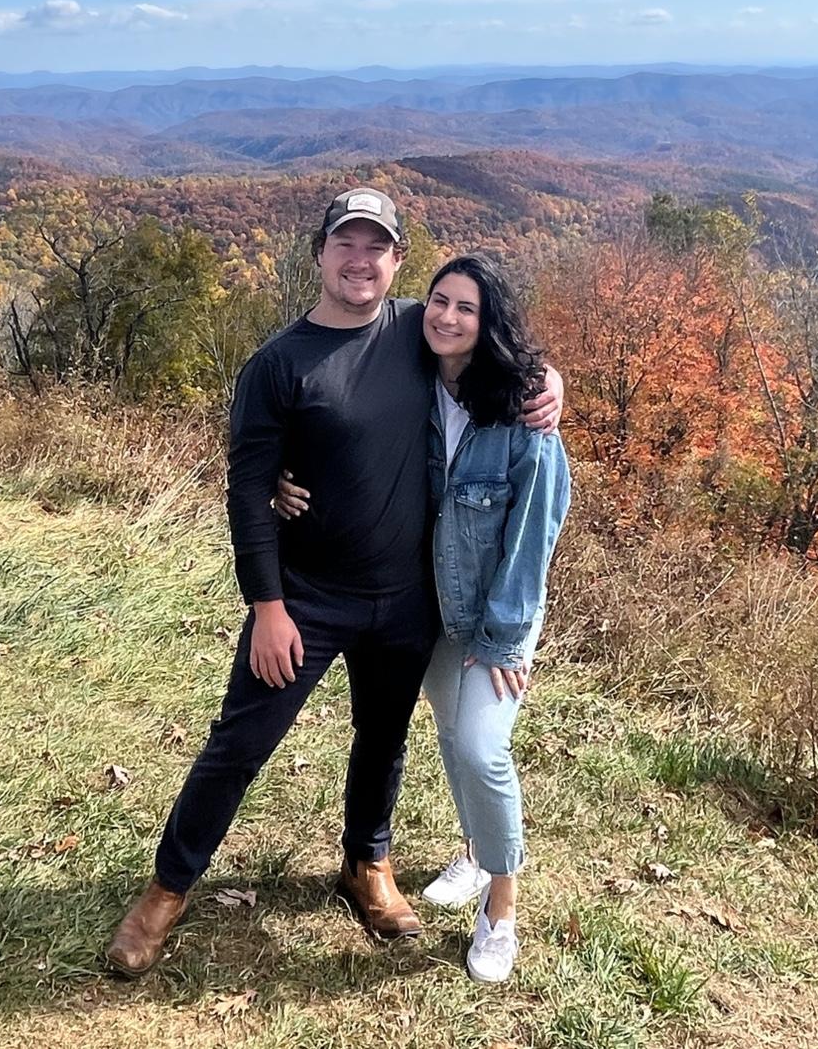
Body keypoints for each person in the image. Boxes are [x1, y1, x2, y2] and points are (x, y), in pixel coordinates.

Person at [106, 188, 562, 978]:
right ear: (319, 253)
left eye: (376, 247)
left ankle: (366, 863)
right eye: (345, 244)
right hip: (306, 599)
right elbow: (247, 492)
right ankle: (167, 889)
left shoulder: (418, 329)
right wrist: (268, 606)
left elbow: (490, 342)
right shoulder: (278, 365)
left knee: (383, 739)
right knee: (238, 745)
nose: (360, 261)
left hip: (407, 600)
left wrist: (550, 382)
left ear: (397, 261)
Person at [278, 252, 570, 984]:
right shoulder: (410, 369)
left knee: (481, 747)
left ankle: (501, 905)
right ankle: (471, 852)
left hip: (493, 610)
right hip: (424, 604)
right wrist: (279, 471)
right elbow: (329, 395)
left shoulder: (521, 413)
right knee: (447, 731)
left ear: (489, 322)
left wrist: (504, 639)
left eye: (467, 308)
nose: (446, 317)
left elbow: (535, 531)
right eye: (439, 301)